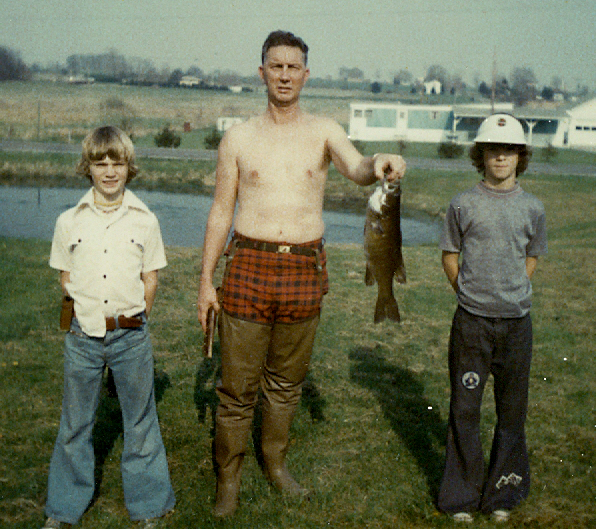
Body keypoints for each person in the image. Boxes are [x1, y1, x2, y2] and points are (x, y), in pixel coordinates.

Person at [196, 30, 406, 517]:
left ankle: (275, 465)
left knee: (286, 383)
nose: (285, 75)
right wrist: (206, 280)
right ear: (262, 72)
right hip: (247, 265)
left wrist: (382, 161)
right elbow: (220, 211)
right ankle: (229, 480)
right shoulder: (238, 137)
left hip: (303, 268)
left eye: (294, 67)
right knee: (236, 388)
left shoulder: (324, 130)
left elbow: (358, 167)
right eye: (276, 66)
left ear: (306, 75)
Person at [42, 126, 175, 529]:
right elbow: (65, 278)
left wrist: (132, 322)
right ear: (88, 167)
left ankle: (149, 505)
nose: (109, 171)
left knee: (140, 422)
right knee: (74, 425)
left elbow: (150, 280)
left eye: (117, 163)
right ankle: (64, 508)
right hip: (82, 339)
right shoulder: (68, 221)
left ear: (129, 167)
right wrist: (82, 318)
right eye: (100, 163)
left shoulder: (145, 220)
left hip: (130, 337)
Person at [437, 114, 547, 524]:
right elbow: (450, 255)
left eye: (509, 150)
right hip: (472, 324)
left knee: (511, 411)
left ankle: (504, 491)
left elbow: (531, 256)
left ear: (521, 156)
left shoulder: (533, 207)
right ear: (480, 155)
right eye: (492, 150)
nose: (501, 157)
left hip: (516, 324)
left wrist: (511, 291)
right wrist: (469, 294)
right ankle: (461, 495)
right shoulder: (462, 203)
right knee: (465, 408)